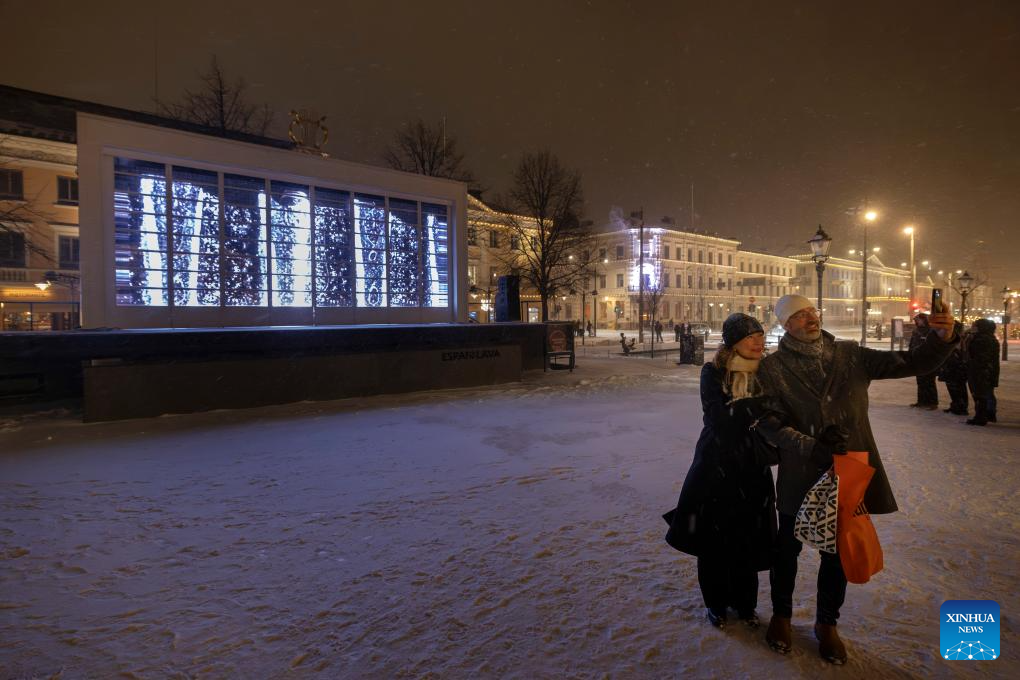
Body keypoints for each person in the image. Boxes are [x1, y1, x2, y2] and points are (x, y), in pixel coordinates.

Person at [756, 294, 958, 665]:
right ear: (785, 325)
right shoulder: (772, 368)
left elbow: (911, 362)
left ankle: (826, 624)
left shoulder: (850, 355)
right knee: (787, 550)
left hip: (848, 467)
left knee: (838, 550)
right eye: (798, 316)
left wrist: (941, 339)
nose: (809, 318)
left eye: (811, 311)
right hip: (801, 470)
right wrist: (809, 445)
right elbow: (768, 423)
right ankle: (782, 616)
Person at [663, 314, 778, 629]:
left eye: (761, 335)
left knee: (747, 537)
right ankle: (715, 603)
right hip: (716, 466)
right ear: (733, 342)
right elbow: (719, 421)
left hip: (753, 467)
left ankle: (745, 604)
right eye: (751, 336)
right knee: (714, 541)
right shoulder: (713, 372)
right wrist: (756, 406)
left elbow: (777, 416)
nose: (759, 342)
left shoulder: (768, 372)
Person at [964, 319, 1000, 426]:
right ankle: (987, 414)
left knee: (980, 394)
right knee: (985, 393)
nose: (973, 327)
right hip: (985, 370)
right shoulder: (987, 338)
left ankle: (981, 417)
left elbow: (976, 355)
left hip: (981, 371)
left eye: (975, 325)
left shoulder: (982, 339)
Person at [909, 314, 939, 409]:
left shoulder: (930, 330)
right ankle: (921, 401)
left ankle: (932, 402)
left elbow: (933, 345)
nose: (918, 321)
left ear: (924, 320)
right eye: (917, 320)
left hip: (928, 359)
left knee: (929, 382)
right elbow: (912, 344)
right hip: (918, 359)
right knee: (921, 381)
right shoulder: (916, 331)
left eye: (919, 320)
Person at [938, 335, 969, 415]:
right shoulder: (950, 338)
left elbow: (960, 353)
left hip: (956, 368)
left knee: (958, 388)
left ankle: (961, 407)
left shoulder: (957, 339)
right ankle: (956, 405)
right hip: (950, 367)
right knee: (953, 388)